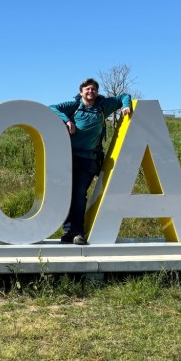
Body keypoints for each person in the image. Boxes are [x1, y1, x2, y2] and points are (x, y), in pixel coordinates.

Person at [50, 78, 132, 245]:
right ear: (81, 92)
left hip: (89, 160)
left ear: (97, 92)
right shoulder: (74, 106)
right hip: (69, 158)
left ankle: (78, 232)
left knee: (79, 194)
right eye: (87, 89)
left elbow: (124, 96)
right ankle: (69, 232)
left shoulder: (102, 106)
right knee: (67, 195)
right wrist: (67, 120)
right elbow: (51, 108)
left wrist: (125, 105)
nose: (90, 91)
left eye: (93, 89)